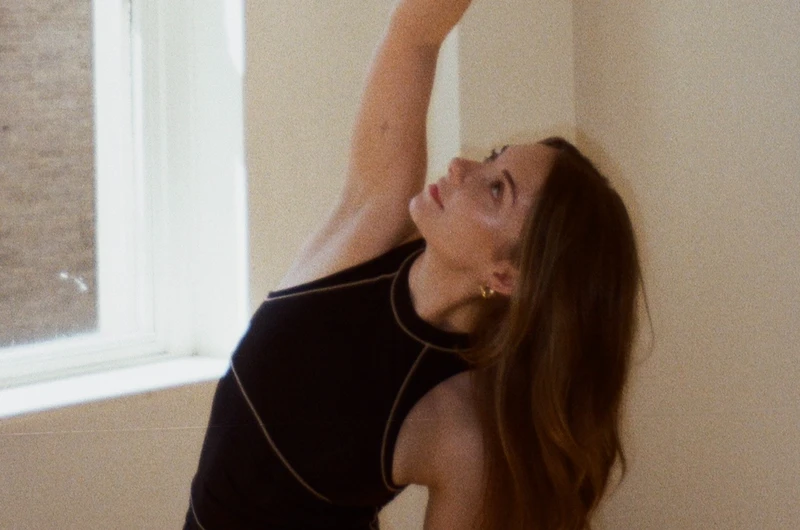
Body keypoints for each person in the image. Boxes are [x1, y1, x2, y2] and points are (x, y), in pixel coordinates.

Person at [184, 0, 643, 529]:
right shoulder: (373, 227)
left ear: (507, 276)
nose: (463, 166)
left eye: (496, 188)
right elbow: (416, 32)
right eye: (494, 156)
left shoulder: (459, 429)